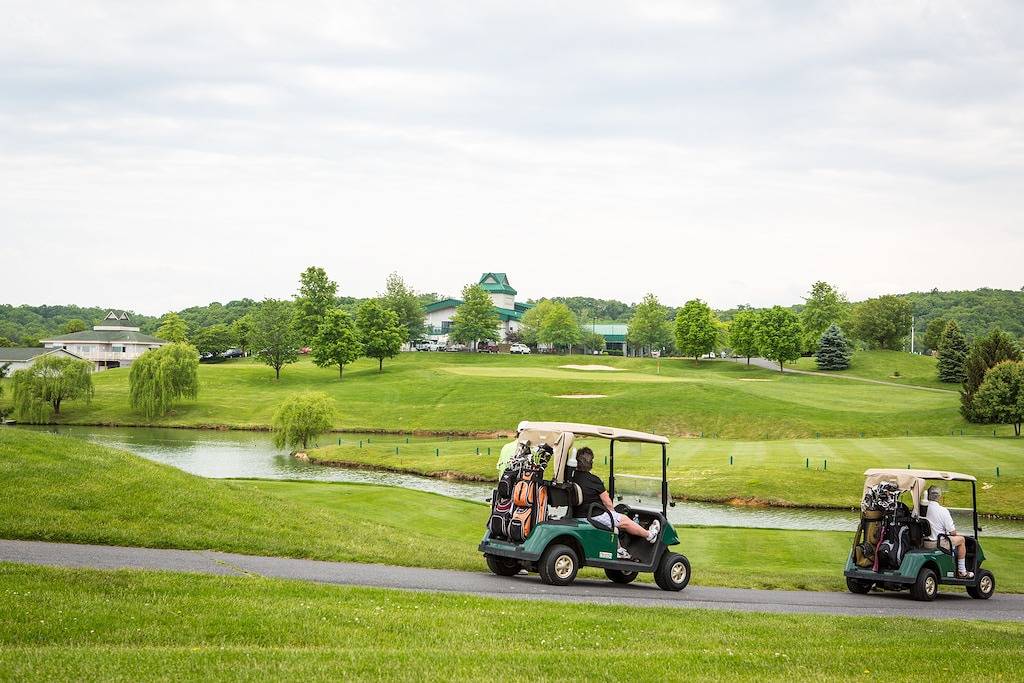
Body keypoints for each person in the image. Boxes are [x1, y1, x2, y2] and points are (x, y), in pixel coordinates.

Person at [571, 447, 659, 556]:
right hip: (593, 515)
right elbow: (607, 502)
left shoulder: (572, 477)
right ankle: (650, 535)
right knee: (624, 520)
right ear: (590, 463)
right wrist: (614, 514)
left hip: (576, 515)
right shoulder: (594, 480)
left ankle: (619, 550)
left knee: (614, 522)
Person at [924, 486, 973, 579]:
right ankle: (962, 571)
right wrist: (956, 533)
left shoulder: (919, 508)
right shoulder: (943, 511)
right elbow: (952, 532)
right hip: (937, 542)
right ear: (939, 497)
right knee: (961, 540)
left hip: (922, 541)